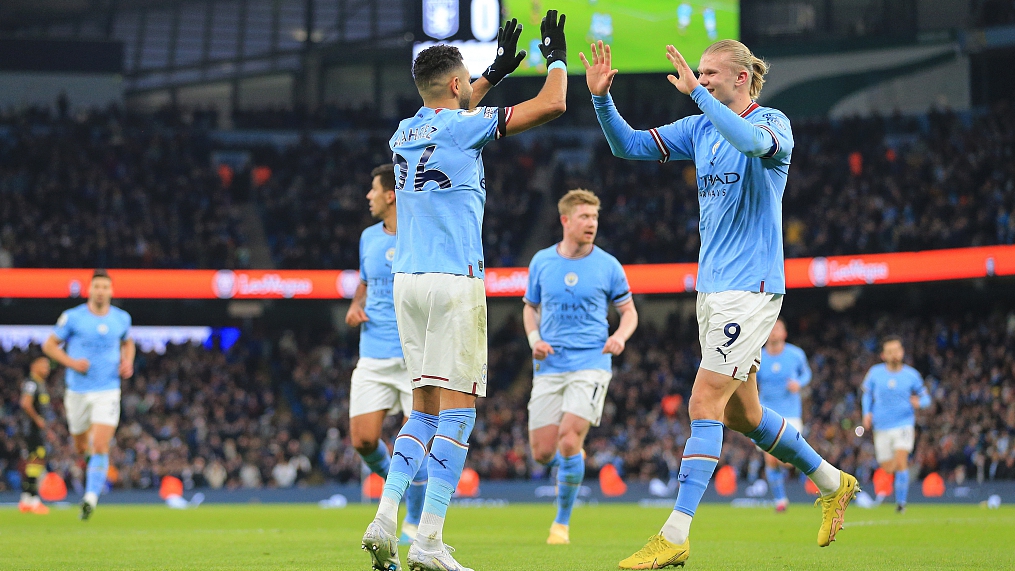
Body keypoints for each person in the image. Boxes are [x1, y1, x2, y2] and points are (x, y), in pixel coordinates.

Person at [582, 38, 858, 568]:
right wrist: (601, 101)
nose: (701, 79)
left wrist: (699, 98)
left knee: (703, 403)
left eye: (711, 73)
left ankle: (675, 534)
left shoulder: (773, 122)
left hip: (751, 288)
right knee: (745, 414)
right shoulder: (701, 126)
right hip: (712, 290)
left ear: (742, 78)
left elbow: (752, 144)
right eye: (699, 73)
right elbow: (630, 146)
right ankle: (832, 480)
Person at [361, 11, 568, 571]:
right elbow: (551, 105)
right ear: (455, 84)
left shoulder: (404, 131)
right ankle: (428, 540)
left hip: (406, 283)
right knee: (457, 412)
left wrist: (495, 71)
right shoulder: (462, 125)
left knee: (421, 409)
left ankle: (385, 518)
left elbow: (458, 103)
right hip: (455, 281)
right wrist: (556, 57)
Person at [523, 189, 637, 544]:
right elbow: (530, 307)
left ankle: (561, 523)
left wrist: (620, 336)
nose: (591, 223)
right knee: (542, 453)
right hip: (550, 364)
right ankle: (574, 464)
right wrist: (534, 340)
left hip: (591, 361)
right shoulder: (541, 261)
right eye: (585, 217)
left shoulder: (608, 265)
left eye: (595, 217)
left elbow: (629, 312)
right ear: (565, 221)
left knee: (569, 440)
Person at [345, 163, 427, 544]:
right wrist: (354, 305)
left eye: (372, 190)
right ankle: (402, 485)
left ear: (390, 194)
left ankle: (414, 519)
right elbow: (363, 283)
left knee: (420, 444)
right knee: (362, 440)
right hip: (373, 353)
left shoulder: (421, 233)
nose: (368, 197)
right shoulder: (367, 238)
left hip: (414, 356)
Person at [43, 269, 134, 520]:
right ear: (90, 290)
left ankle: (90, 498)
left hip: (108, 390)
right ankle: (90, 467)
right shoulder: (72, 318)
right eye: (97, 287)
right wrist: (71, 362)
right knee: (81, 444)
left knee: (101, 444)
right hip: (78, 391)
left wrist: (128, 361)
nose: (101, 291)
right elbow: (49, 345)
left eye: (105, 287)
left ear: (111, 291)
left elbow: (128, 342)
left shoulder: (121, 319)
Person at [861, 335, 931, 513]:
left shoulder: (911, 375)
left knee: (901, 461)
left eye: (896, 351)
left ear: (902, 352)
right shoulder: (875, 373)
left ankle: (901, 504)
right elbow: (867, 394)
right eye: (889, 351)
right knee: (888, 467)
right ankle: (894, 496)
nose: (894, 354)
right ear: (883, 355)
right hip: (881, 426)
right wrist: (866, 413)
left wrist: (919, 403)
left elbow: (926, 398)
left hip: (904, 424)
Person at [757, 318, 812, 512]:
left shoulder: (796, 354)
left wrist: (799, 383)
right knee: (770, 458)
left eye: (777, 327)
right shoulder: (758, 356)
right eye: (770, 328)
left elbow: (807, 374)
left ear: (784, 333)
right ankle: (780, 500)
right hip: (765, 414)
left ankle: (811, 475)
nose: (773, 332)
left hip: (791, 414)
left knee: (788, 458)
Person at [18, 356, 53, 515]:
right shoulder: (32, 383)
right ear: (34, 366)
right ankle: (34, 499)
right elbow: (25, 403)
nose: (47, 368)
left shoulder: (40, 384)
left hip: (36, 430)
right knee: (35, 461)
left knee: (34, 462)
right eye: (43, 365)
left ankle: (26, 499)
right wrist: (37, 419)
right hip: (31, 429)